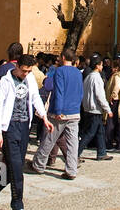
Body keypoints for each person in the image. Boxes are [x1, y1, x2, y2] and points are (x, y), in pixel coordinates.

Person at [0, 54, 52, 210]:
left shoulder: (30, 78)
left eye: (29, 71)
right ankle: (17, 205)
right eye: (24, 71)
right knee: (17, 167)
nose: (26, 74)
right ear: (17, 67)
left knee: (14, 166)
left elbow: (35, 98)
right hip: (9, 127)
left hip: (24, 126)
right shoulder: (6, 80)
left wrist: (44, 116)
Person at [31, 47, 83, 179]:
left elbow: (59, 91)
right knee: (72, 142)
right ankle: (71, 170)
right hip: (74, 111)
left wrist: (58, 110)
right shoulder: (78, 73)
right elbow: (80, 92)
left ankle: (39, 164)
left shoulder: (60, 71)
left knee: (49, 138)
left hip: (61, 111)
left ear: (63, 57)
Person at [77, 55, 114, 160]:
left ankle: (102, 152)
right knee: (89, 133)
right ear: (97, 66)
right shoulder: (96, 78)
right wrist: (108, 109)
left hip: (88, 107)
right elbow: (100, 95)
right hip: (95, 109)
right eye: (101, 65)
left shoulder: (88, 77)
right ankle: (76, 153)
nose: (102, 67)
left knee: (100, 131)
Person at [106, 57, 120, 150]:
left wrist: (112, 95)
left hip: (115, 101)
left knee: (111, 122)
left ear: (116, 67)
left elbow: (117, 86)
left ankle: (110, 142)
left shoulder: (116, 76)